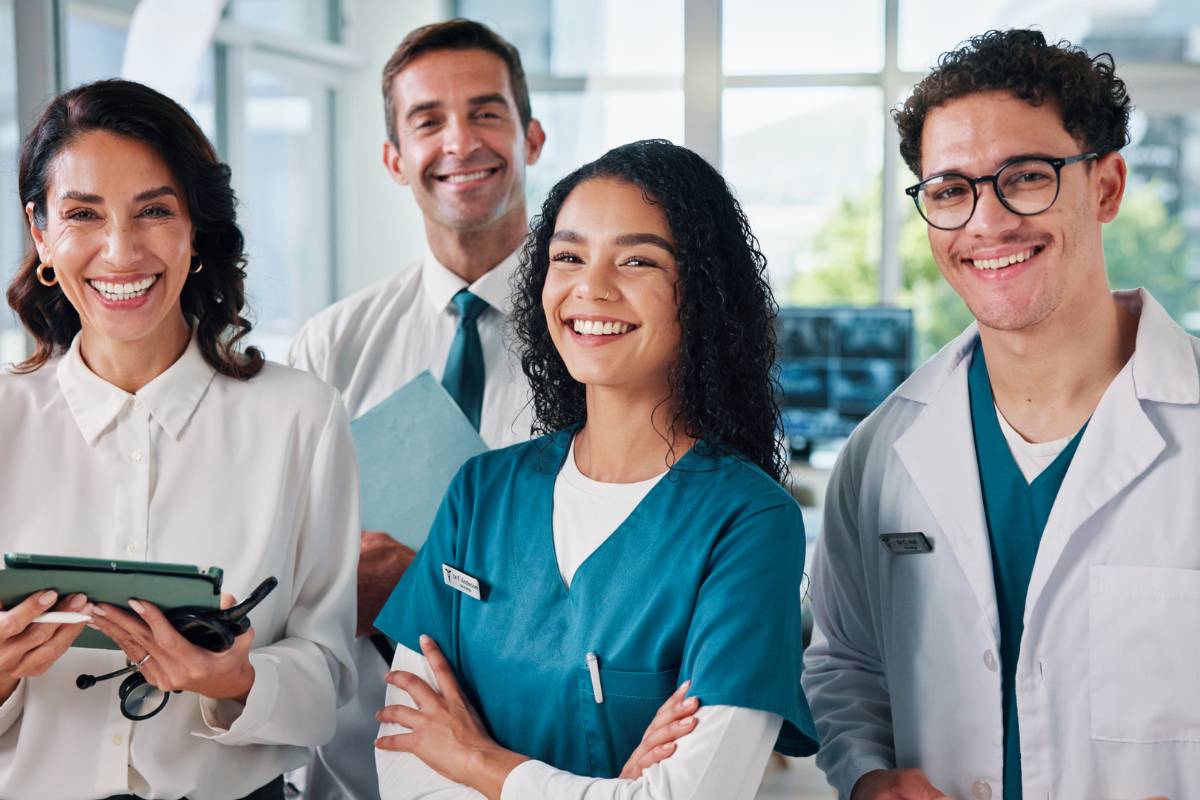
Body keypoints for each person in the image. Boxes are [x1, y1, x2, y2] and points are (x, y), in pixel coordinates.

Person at [289, 19, 690, 799]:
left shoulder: (607, 334)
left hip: (558, 767)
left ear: (532, 136)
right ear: (392, 158)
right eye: (427, 121)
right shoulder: (331, 348)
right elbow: (286, 568)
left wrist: (420, 594)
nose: (459, 142)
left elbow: (644, 572)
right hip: (354, 764)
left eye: (485, 113)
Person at [802, 28, 1200, 800]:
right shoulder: (882, 452)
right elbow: (844, 661)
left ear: (1107, 186)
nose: (986, 224)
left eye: (1025, 176)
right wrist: (868, 777)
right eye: (950, 191)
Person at [372, 139, 820, 799]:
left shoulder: (749, 524)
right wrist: (605, 788)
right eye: (569, 257)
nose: (592, 287)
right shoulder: (482, 492)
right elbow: (406, 762)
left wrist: (477, 761)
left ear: (701, 292)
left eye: (637, 260)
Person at [0, 79, 357, 800]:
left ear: (196, 226)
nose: (121, 250)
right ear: (41, 234)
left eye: (154, 211)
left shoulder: (302, 418)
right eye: (83, 215)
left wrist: (239, 680)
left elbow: (330, 677)